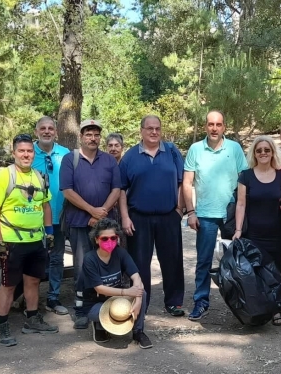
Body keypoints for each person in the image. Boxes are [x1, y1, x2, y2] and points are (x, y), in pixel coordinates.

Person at [0, 134, 58, 347]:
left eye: (29, 151)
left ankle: (32, 318)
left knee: (33, 281)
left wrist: (50, 232)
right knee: (8, 285)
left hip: (36, 239)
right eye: (21, 151)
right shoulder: (3, 176)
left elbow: (45, 205)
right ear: (14, 152)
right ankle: (2, 323)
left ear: (33, 154)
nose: (26, 155)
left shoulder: (39, 176)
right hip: (11, 240)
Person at [182, 110, 248, 321]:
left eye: (218, 124)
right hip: (205, 215)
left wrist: (243, 211)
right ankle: (201, 302)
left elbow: (243, 180)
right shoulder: (195, 149)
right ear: (205, 127)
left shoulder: (235, 148)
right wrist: (190, 212)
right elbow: (187, 183)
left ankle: (242, 302)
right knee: (203, 261)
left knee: (236, 261)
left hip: (230, 213)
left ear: (224, 127)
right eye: (210, 124)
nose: (214, 128)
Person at [118, 115, 186, 320]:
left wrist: (180, 209)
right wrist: (125, 217)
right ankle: (141, 303)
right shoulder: (130, 157)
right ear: (142, 131)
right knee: (139, 264)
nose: (154, 132)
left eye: (157, 128)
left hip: (169, 216)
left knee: (172, 261)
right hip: (139, 218)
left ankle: (174, 302)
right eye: (149, 128)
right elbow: (121, 189)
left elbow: (183, 182)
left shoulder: (172, 152)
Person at [60, 120, 121, 327]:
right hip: (79, 223)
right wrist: (91, 211)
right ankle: (82, 309)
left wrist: (101, 212)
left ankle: (107, 305)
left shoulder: (109, 161)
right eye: (88, 134)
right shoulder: (70, 159)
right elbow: (67, 191)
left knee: (108, 264)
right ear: (81, 137)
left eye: (96, 134)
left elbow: (116, 189)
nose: (93, 138)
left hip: (106, 226)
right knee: (82, 266)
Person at [233, 136, 281, 326]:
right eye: (259, 150)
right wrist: (238, 229)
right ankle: (258, 310)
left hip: (277, 232)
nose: (263, 153)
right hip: (253, 233)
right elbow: (240, 204)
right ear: (254, 154)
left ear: (272, 152)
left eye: (267, 149)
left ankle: (276, 311)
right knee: (255, 272)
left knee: (276, 271)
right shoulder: (245, 175)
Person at [78, 219, 151, 348]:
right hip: (95, 303)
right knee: (100, 312)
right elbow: (99, 288)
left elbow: (136, 277)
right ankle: (99, 325)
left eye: (113, 238)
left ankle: (138, 332)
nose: (109, 242)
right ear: (96, 239)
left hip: (117, 299)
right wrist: (126, 292)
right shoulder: (90, 259)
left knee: (142, 292)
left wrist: (138, 300)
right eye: (104, 239)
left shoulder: (120, 253)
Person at [31, 116, 71, 316]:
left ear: (56, 132)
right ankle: (30, 301)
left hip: (60, 217)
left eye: (50, 129)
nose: (47, 131)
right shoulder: (28, 153)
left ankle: (53, 298)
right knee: (34, 260)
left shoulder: (65, 154)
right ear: (36, 131)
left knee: (56, 259)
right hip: (33, 219)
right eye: (42, 128)